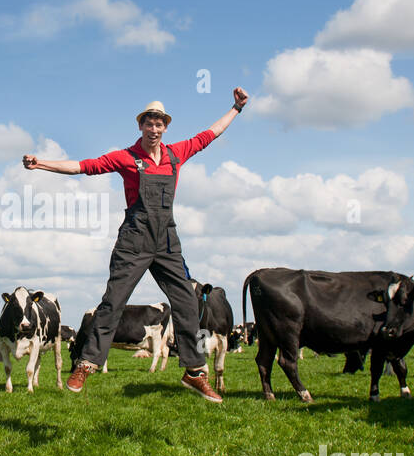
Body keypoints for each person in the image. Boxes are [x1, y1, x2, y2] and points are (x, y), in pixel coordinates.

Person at [23, 87, 249, 402]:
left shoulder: (177, 153)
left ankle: (195, 372)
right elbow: (84, 167)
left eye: (159, 124)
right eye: (149, 123)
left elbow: (211, 133)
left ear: (165, 127)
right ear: (141, 126)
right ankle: (87, 363)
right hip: (134, 239)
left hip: (167, 240)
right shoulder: (127, 158)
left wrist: (236, 108)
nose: (154, 129)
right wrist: (41, 164)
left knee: (188, 302)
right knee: (114, 301)